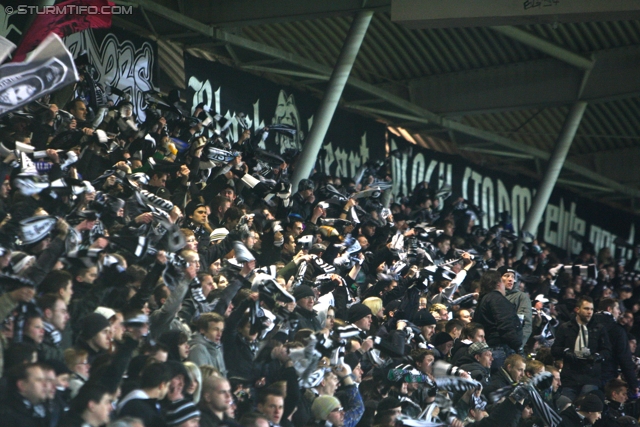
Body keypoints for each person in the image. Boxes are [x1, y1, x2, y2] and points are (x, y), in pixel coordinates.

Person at [552, 296, 612, 401]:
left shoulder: (599, 329)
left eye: (592, 309)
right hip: (570, 377)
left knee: (586, 405)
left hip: (591, 377)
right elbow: (555, 349)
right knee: (564, 404)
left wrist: (597, 356)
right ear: (577, 309)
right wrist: (566, 352)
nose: (589, 312)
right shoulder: (565, 327)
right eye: (586, 308)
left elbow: (607, 351)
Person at [473, 271, 523, 371]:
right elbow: (506, 325)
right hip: (501, 349)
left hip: (491, 347)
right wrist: (518, 346)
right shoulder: (497, 299)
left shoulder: (484, 300)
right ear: (498, 283)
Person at [117, 362, 174, 427]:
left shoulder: (135, 401)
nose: (167, 390)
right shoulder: (139, 408)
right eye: (168, 386)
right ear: (162, 385)